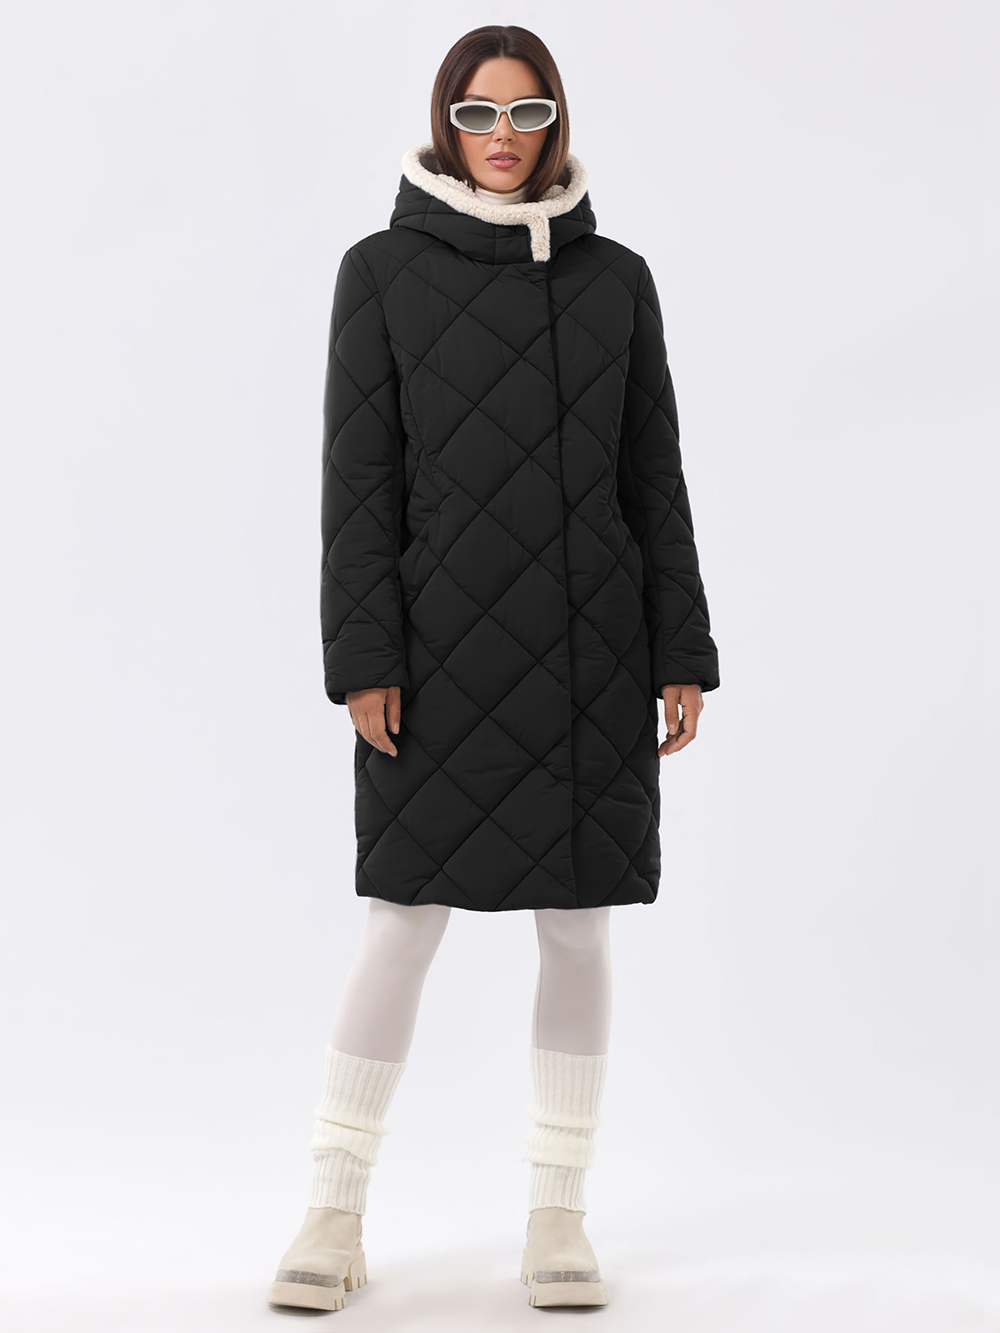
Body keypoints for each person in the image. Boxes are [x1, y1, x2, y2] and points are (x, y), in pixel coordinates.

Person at [267, 23, 720, 1313]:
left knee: (576, 927)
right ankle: (333, 1209)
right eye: (479, 114)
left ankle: (558, 1216)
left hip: (592, 653)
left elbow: (654, 477)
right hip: (436, 656)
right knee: (402, 921)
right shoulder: (379, 273)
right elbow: (357, 487)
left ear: (557, 122)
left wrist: (681, 650)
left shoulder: (617, 280)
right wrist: (364, 656)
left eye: (527, 114)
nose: (504, 138)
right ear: (444, 123)